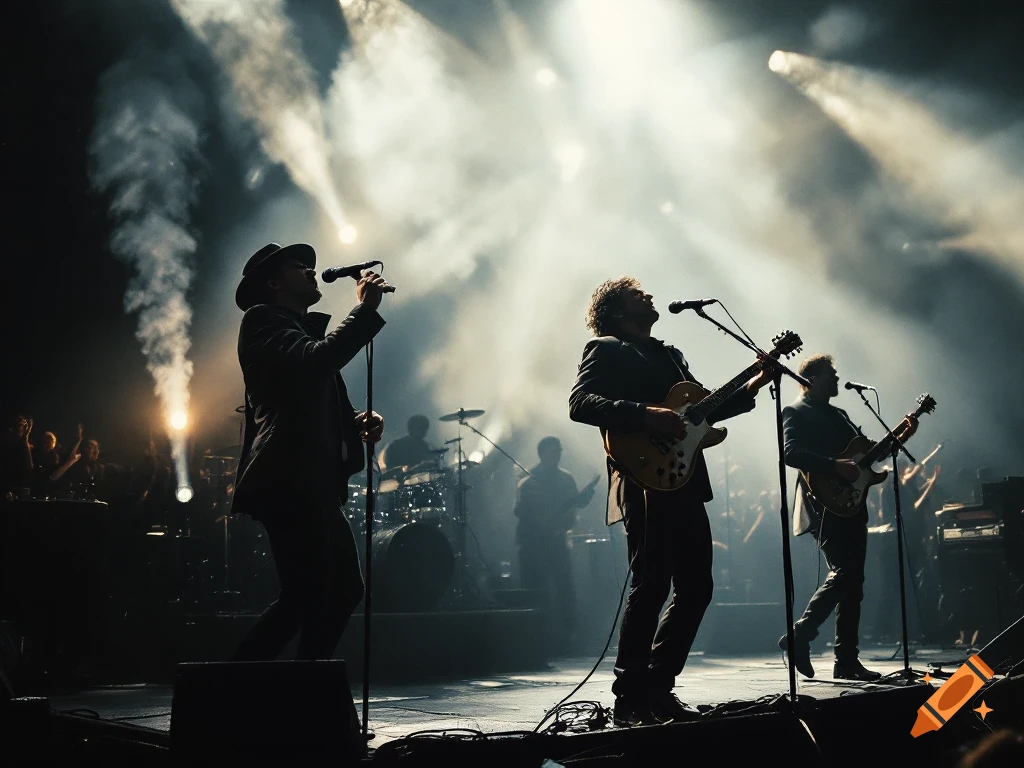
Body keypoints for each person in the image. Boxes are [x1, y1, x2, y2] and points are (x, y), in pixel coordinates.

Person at [568, 277, 772, 726]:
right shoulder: (606, 347)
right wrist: (645, 414)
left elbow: (703, 410)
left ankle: (659, 687)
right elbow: (581, 403)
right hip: (644, 477)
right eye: (637, 294)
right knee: (652, 585)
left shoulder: (671, 354)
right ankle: (629, 698)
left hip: (685, 479)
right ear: (616, 311)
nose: (649, 295)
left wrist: (755, 383)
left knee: (697, 587)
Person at [229, 242, 388, 664]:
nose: (312, 271)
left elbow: (310, 392)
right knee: (307, 593)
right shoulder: (261, 320)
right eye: (300, 266)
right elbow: (314, 363)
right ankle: (230, 687)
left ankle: (305, 684)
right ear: (274, 283)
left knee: (341, 590)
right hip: (286, 477)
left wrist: (355, 418)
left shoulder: (299, 333)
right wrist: (363, 311)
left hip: (311, 480)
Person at [779, 354, 917, 681]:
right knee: (846, 574)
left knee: (854, 583)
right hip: (823, 503)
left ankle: (846, 660)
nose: (838, 379)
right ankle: (802, 634)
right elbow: (791, 452)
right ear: (811, 379)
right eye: (832, 375)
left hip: (852, 503)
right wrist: (832, 464)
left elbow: (866, 458)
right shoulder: (796, 411)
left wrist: (901, 437)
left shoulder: (839, 414)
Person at [514, 436, 596, 654]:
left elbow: (574, 506)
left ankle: (568, 638)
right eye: (553, 452)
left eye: (559, 451)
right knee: (534, 591)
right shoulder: (528, 480)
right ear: (542, 454)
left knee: (565, 590)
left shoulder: (566, 478)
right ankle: (534, 640)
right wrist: (543, 519)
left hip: (556, 541)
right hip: (533, 544)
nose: (557, 456)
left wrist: (584, 498)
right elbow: (520, 511)